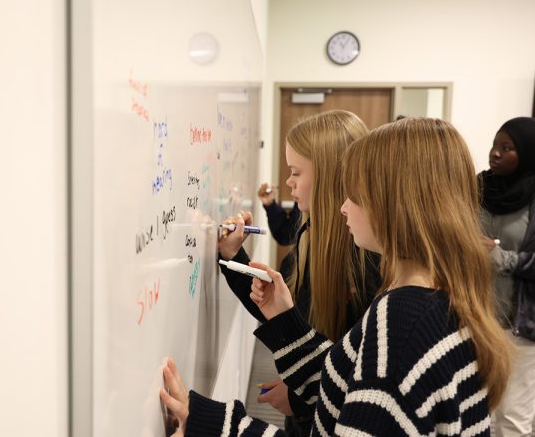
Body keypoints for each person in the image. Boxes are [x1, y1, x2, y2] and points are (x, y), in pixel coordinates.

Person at [160, 117, 513, 436]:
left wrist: (221, 427)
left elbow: (372, 386)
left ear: (395, 205)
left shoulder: (403, 325)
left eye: (355, 194)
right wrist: (284, 319)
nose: (344, 205)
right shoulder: (434, 300)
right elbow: (348, 382)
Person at [217, 110, 378, 436]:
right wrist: (233, 255)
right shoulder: (309, 234)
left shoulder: (367, 260)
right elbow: (277, 311)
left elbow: (361, 378)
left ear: (329, 176)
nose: (288, 182)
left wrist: (302, 398)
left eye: (295, 172)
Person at [478, 116, 535, 436]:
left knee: (511, 419)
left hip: (521, 328)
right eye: (494, 145)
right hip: (475, 321)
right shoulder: (478, 187)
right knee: (477, 413)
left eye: (507, 147)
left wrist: (503, 259)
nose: (495, 153)